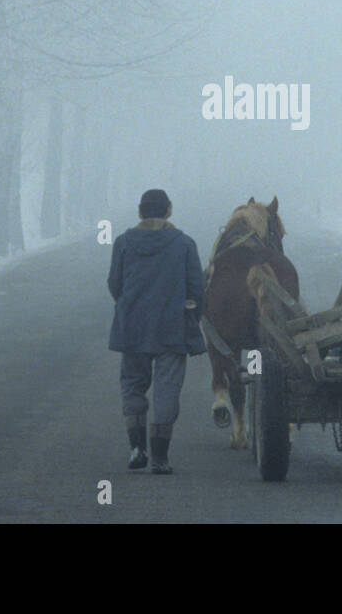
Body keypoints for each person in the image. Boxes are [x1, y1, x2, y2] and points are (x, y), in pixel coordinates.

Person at [107, 189, 207, 474]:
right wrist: (190, 316)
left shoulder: (124, 243)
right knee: (167, 391)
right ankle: (160, 457)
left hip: (132, 328)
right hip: (172, 328)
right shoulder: (184, 244)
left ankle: (137, 448)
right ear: (169, 211)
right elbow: (197, 289)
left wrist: (130, 307)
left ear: (140, 212)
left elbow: (115, 283)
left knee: (133, 386)